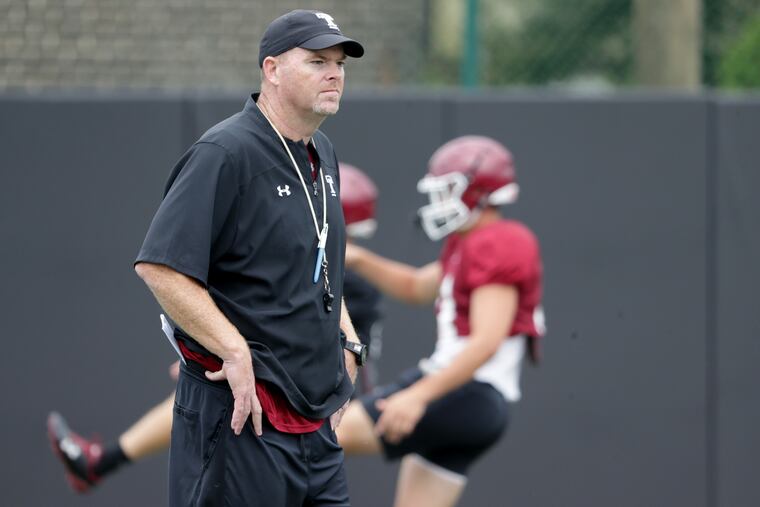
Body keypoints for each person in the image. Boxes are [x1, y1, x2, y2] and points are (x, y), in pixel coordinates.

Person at [134, 10, 366, 506]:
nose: (334, 74)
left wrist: (346, 336)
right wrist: (233, 349)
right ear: (272, 69)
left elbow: (318, 259)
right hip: (243, 417)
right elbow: (160, 266)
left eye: (340, 64)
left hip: (315, 425)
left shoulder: (321, 150)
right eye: (317, 61)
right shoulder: (225, 151)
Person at [46, 163, 384, 494]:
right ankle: (101, 462)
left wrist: (231, 358)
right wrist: (219, 352)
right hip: (307, 399)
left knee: (234, 401)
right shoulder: (327, 270)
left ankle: (100, 463)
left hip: (322, 409)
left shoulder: (349, 281)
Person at [336, 135, 546, 507]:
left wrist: (417, 396)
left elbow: (485, 341)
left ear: (478, 191)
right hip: (474, 402)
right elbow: (417, 287)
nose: (439, 201)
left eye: (448, 189)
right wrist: (359, 259)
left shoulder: (496, 242)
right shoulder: (470, 243)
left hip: (464, 391)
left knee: (322, 436)